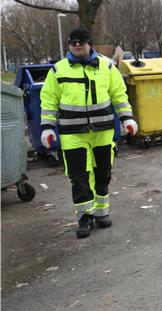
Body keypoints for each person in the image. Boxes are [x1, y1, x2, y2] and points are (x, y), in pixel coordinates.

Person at [39, 26, 138, 239]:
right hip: (71, 133)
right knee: (78, 176)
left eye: (81, 42)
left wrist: (127, 118)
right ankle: (85, 217)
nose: (77, 46)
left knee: (103, 172)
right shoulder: (58, 70)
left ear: (89, 44)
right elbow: (48, 101)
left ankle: (102, 212)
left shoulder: (107, 67)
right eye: (73, 42)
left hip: (102, 130)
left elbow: (119, 95)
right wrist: (47, 128)